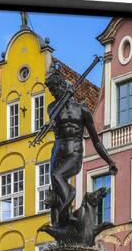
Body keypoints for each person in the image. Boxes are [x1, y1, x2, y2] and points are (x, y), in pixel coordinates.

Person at [45, 63, 117, 226]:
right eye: (51, 91)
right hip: (57, 151)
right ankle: (61, 225)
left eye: (55, 89)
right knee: (55, 191)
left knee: (58, 176)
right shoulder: (52, 108)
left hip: (74, 153)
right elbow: (56, 126)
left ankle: (70, 194)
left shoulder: (83, 110)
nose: (53, 93)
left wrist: (109, 161)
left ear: (62, 87)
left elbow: (96, 141)